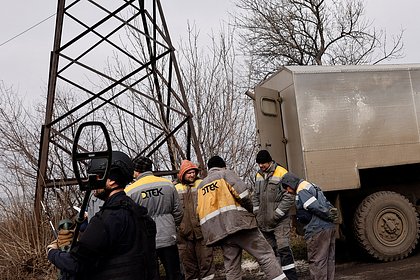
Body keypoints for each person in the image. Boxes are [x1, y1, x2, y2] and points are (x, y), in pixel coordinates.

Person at [47, 151, 157, 279]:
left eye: (98, 176)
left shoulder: (105, 219)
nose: (91, 182)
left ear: (112, 181)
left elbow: (76, 264)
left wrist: (52, 252)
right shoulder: (142, 214)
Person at [196, 155, 286, 280]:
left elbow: (199, 211)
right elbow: (243, 194)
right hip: (240, 226)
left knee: (232, 266)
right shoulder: (225, 174)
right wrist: (251, 211)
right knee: (265, 255)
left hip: (221, 233)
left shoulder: (201, 186)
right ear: (223, 166)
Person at [125, 156, 184, 280]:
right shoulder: (167, 184)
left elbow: (129, 218)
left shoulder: (130, 191)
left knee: (151, 275)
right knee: (174, 273)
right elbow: (178, 211)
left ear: (136, 170)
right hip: (168, 235)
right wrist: (172, 226)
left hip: (145, 239)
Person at [281, 172, 339, 280]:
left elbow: (315, 207)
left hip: (317, 230)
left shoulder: (302, 190)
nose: (287, 191)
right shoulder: (311, 186)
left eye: (287, 188)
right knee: (329, 261)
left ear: (291, 184)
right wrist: (332, 217)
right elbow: (327, 205)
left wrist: (328, 215)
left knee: (317, 262)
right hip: (328, 228)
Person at [253, 150, 298, 280]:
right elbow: (256, 195)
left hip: (280, 221)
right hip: (264, 223)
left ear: (270, 161)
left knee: (283, 250)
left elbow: (289, 196)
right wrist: (256, 212)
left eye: (263, 163)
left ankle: (291, 277)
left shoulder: (282, 173)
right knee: (271, 252)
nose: (261, 166)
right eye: (259, 163)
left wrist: (277, 214)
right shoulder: (258, 175)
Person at [175, 160, 215, 280]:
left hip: (202, 231)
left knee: (206, 263)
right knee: (189, 266)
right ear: (182, 174)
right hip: (183, 234)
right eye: (188, 173)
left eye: (193, 172)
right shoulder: (175, 188)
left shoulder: (202, 184)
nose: (192, 175)